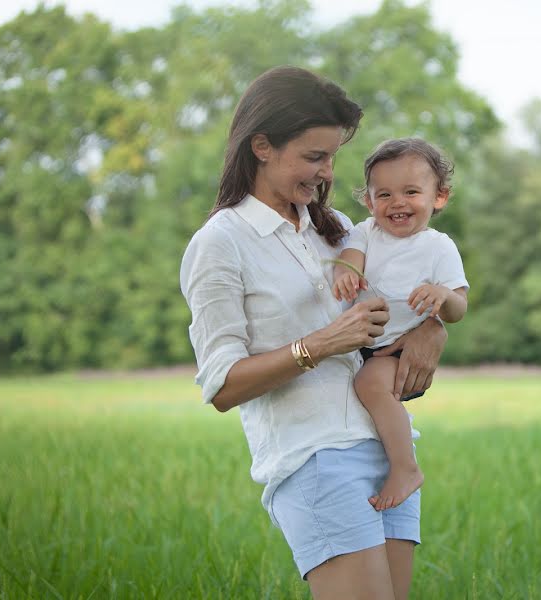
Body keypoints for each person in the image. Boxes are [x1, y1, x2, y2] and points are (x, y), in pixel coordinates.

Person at [179, 66, 447, 600]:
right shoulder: (221, 243)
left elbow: (403, 309)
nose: (327, 172)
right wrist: (321, 344)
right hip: (314, 459)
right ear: (261, 146)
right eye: (313, 156)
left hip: (388, 451)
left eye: (332, 156)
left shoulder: (343, 230)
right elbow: (222, 385)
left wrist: (432, 330)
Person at [331, 138, 469, 513]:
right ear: (369, 201)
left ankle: (405, 468)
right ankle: (384, 457)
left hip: (394, 348)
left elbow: (458, 308)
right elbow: (350, 256)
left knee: (369, 384)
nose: (398, 203)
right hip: (360, 344)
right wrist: (347, 272)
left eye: (411, 192)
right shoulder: (366, 232)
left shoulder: (439, 247)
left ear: (439, 197)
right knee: (361, 387)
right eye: (385, 194)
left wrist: (443, 295)